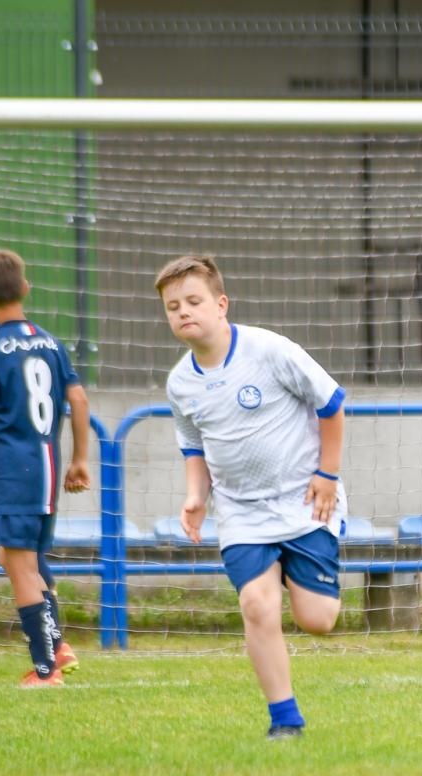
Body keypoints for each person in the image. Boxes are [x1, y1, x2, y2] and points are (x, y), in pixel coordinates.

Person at [159, 254, 347, 740]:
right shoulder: (180, 383)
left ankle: (288, 566)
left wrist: (327, 474)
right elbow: (193, 446)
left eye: (194, 301)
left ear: (221, 304)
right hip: (240, 512)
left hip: (305, 499)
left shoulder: (269, 350)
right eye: (173, 306)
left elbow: (331, 404)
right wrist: (196, 496)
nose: (183, 312)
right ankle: (285, 721)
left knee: (318, 619)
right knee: (257, 607)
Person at [0, 249, 90, 687]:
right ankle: (55, 651)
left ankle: (45, 670)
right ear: (25, 288)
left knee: (21, 567)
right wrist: (80, 458)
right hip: (49, 466)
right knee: (16, 558)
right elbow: (79, 399)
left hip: (14, 469)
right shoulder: (51, 342)